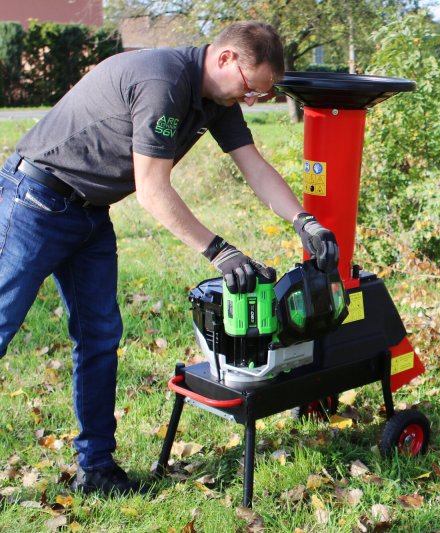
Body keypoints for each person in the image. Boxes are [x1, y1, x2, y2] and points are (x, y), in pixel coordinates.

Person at [0, 21, 338, 496]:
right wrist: (220, 251)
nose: (251, 100)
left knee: (99, 339)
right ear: (225, 59)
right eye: (250, 88)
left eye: (260, 96)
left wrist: (305, 221)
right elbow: (153, 191)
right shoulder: (164, 81)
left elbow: (256, 168)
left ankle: (95, 468)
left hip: (89, 214)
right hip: (34, 201)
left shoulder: (216, 99)